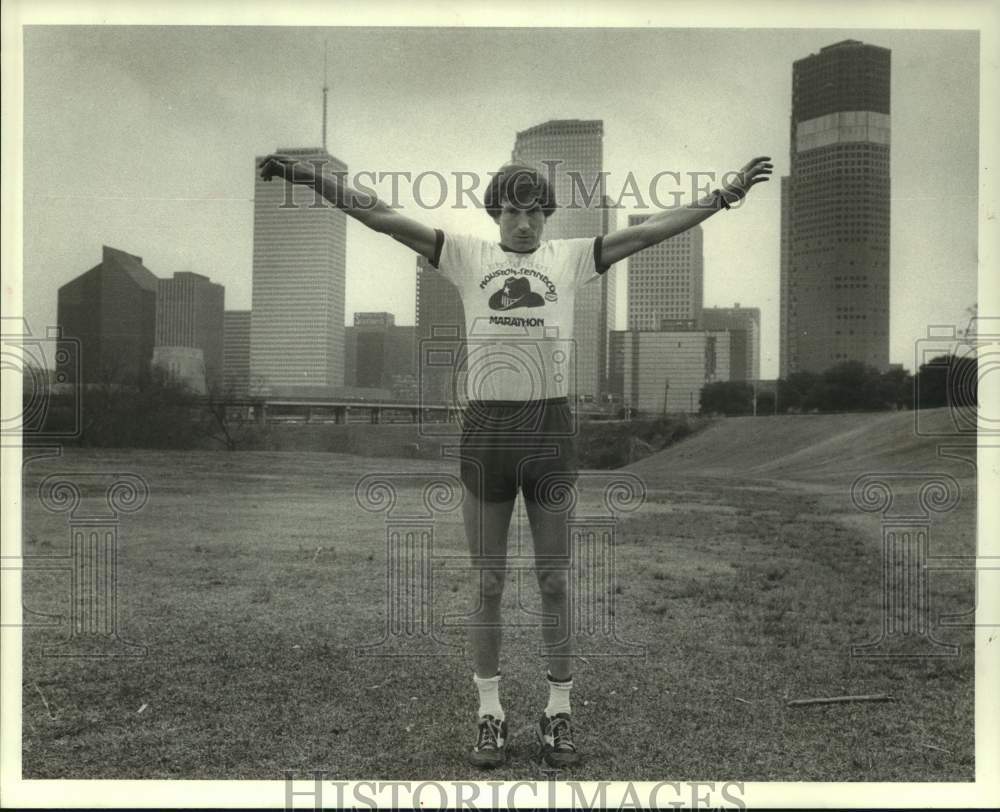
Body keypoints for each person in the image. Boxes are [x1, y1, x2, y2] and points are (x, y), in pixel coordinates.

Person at [258, 152, 772, 768]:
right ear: (495, 213)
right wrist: (312, 178)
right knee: (487, 580)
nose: (523, 223)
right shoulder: (469, 256)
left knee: (554, 580)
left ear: (548, 217)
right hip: (488, 437)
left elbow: (647, 231)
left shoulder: (572, 258)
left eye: (534, 212)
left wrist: (724, 195)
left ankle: (559, 713)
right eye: (512, 211)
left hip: (549, 433)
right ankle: (490, 714)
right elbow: (385, 219)